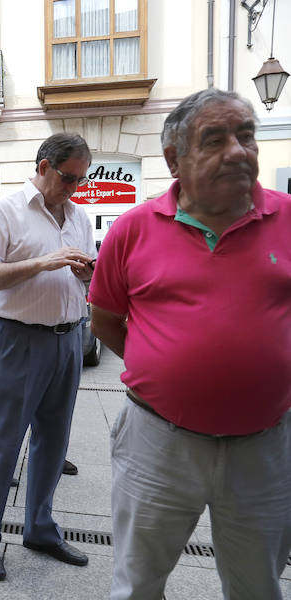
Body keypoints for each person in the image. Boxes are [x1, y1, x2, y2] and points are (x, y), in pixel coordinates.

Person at [89, 89, 291, 600]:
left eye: (246, 136)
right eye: (215, 139)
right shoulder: (132, 229)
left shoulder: (289, 218)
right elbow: (105, 320)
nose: (238, 151)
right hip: (157, 441)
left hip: (266, 445)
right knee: (137, 585)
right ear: (174, 159)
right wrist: (164, 371)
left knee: (258, 587)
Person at [0, 132, 96, 582]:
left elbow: (85, 279)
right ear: (43, 167)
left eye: (81, 180)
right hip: (17, 339)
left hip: (69, 338)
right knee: (2, 443)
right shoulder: (2, 211)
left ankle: (39, 528)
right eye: (68, 178)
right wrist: (43, 262)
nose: (74, 188)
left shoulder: (80, 216)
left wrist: (87, 273)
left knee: (54, 442)